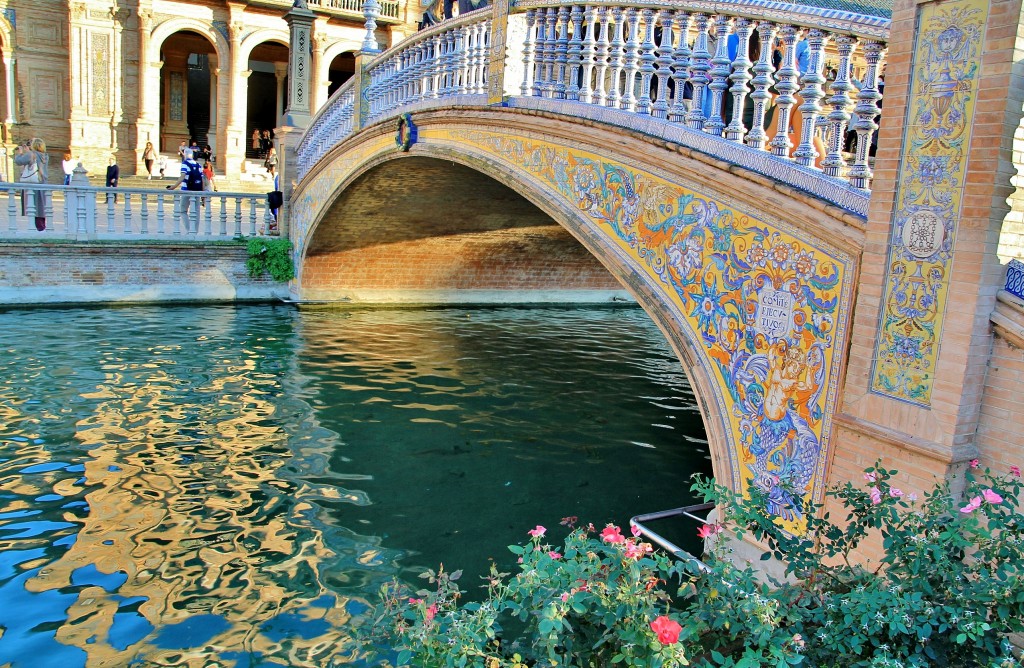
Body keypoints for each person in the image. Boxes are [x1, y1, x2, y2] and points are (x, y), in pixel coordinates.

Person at [13, 137, 49, 231]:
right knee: (41, 207)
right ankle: (41, 227)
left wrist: (20, 152)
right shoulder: (45, 155)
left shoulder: (31, 154)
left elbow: (19, 161)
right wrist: (28, 151)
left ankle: (38, 228)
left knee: (33, 206)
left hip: (33, 183)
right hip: (42, 183)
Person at [166, 148, 204, 233]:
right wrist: (203, 193)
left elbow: (183, 176)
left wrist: (173, 187)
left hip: (186, 190)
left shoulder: (185, 164)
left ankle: (189, 229)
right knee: (196, 212)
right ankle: (195, 231)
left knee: (183, 210)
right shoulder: (198, 165)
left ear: (185, 154)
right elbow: (202, 180)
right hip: (197, 191)